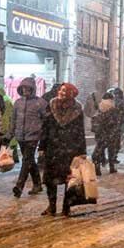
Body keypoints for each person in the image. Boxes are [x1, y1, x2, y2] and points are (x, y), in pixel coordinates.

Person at [39, 82, 87, 217]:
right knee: (50, 180)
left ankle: (66, 207)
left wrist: (82, 151)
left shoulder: (77, 110)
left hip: (70, 150)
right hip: (52, 149)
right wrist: (42, 146)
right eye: (61, 90)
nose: (62, 93)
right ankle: (52, 206)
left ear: (71, 94)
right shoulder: (52, 105)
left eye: (65, 91)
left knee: (70, 180)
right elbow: (45, 128)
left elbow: (80, 132)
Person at [10, 77, 48, 198]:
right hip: (21, 136)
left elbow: (46, 119)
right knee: (30, 160)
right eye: (23, 88)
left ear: (32, 89)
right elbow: (13, 120)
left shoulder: (40, 103)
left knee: (26, 160)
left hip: (33, 136)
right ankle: (37, 183)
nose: (25, 90)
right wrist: (9, 135)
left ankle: (19, 186)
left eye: (28, 88)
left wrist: (42, 133)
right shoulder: (17, 103)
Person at [91, 93, 118, 176]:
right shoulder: (113, 108)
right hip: (110, 133)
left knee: (98, 151)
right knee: (111, 151)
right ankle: (112, 167)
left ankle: (97, 168)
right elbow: (116, 121)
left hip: (100, 133)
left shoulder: (100, 107)